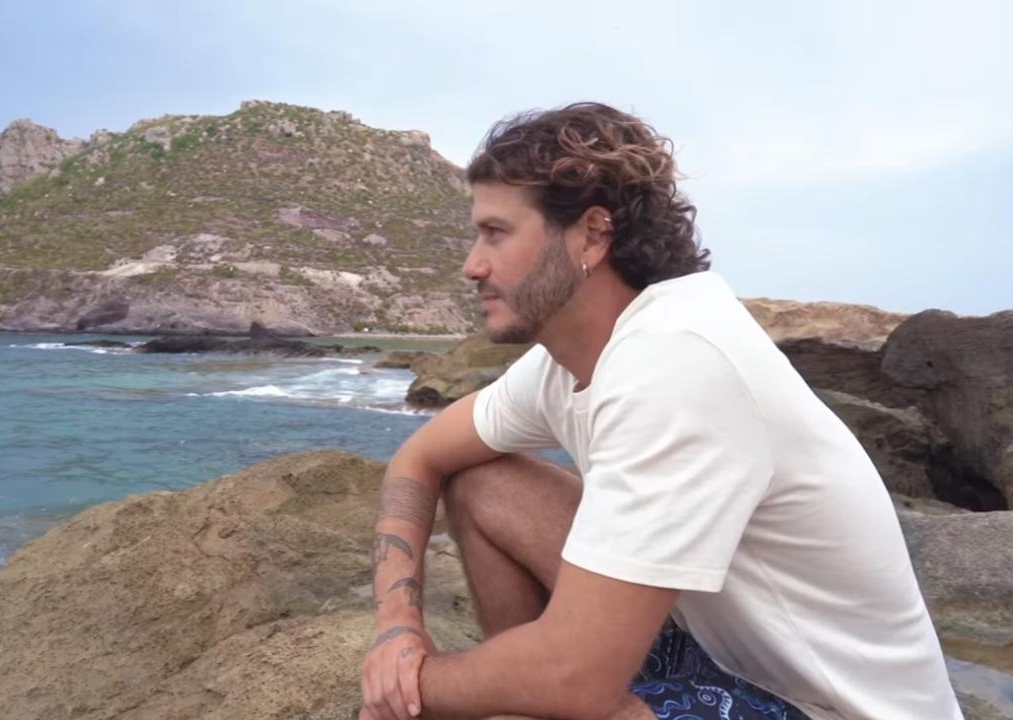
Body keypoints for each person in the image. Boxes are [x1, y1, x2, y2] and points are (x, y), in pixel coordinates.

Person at [359, 102, 962, 720]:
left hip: (827, 707)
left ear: (592, 234)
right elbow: (421, 457)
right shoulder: (571, 358)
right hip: (724, 661)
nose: (472, 265)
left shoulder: (676, 360)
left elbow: (575, 680)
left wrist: (409, 688)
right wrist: (397, 627)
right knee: (485, 483)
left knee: (569, 683)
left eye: (496, 233)